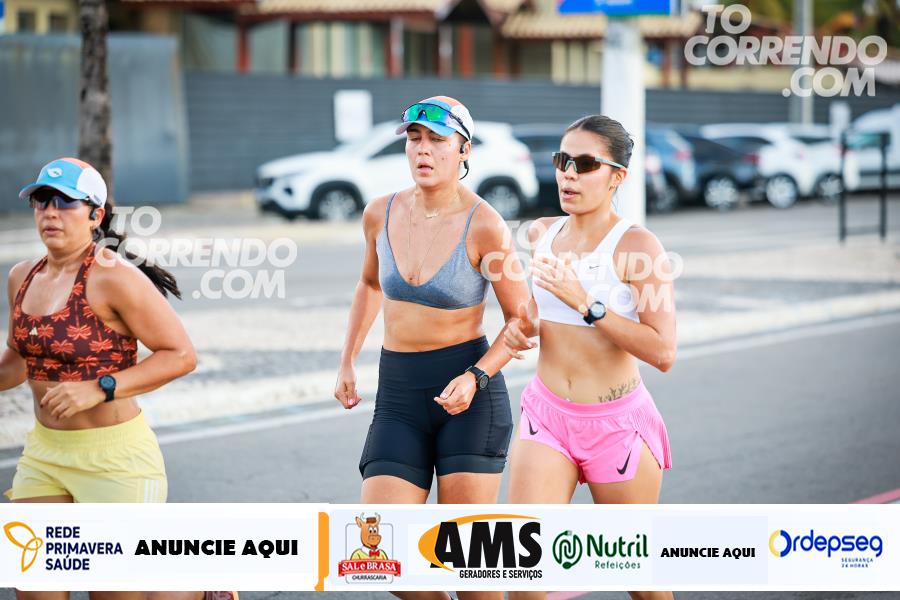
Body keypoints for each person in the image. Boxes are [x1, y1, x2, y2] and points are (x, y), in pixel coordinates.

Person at [334, 96, 530, 600]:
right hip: (398, 395)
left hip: (468, 398)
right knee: (380, 560)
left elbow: (523, 320)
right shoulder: (379, 213)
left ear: (464, 150)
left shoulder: (486, 225)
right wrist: (347, 360)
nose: (423, 150)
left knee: (473, 576)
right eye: (415, 139)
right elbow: (369, 285)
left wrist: (478, 376)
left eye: (438, 141)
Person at [0, 158, 196, 600]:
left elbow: (181, 355)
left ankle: (197, 588)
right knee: (34, 589)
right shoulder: (21, 277)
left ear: (95, 215)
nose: (50, 212)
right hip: (45, 455)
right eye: (41, 201)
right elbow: (17, 362)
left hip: (115, 460)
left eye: (65, 202)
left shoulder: (114, 278)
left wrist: (100, 387)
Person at [503, 116, 677, 600]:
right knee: (521, 578)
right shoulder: (542, 233)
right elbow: (539, 313)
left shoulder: (638, 246)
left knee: (639, 581)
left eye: (584, 164)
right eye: (563, 161)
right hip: (546, 417)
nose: (568, 174)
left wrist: (587, 303)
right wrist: (519, 330)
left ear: (617, 176)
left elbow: (663, 351)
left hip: (616, 427)